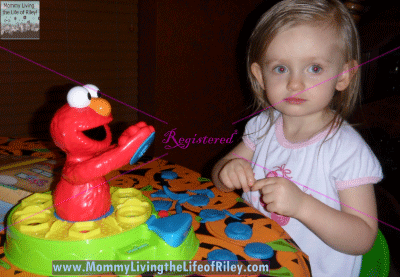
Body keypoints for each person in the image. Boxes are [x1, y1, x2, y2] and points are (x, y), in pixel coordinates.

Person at [211, 0, 383, 276]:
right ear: (260, 75)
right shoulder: (262, 126)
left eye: (314, 68)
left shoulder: (346, 150)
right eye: (280, 68)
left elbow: (362, 238)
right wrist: (228, 170)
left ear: (343, 75)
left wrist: (302, 205)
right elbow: (219, 181)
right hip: (258, 261)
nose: (294, 83)